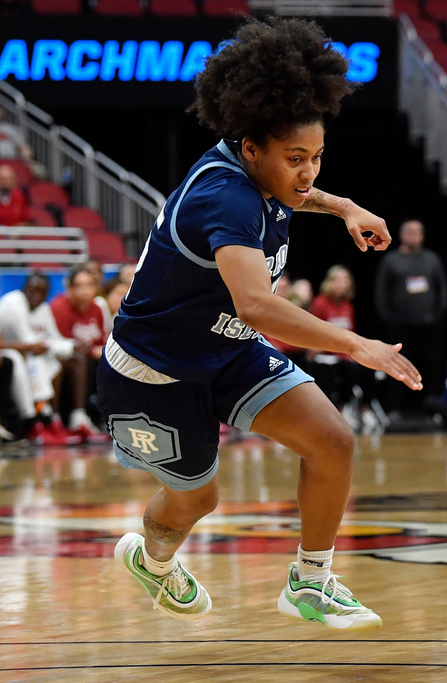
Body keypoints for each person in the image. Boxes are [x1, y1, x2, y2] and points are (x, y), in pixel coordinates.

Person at [96, 18, 421, 630]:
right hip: (154, 373)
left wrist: (345, 205)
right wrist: (357, 345)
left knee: (333, 440)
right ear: (250, 148)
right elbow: (258, 307)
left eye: (318, 157)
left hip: (225, 351)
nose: (308, 174)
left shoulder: (262, 174)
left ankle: (312, 582)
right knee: (199, 498)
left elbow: (297, 194)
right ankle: (151, 557)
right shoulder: (225, 197)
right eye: (295, 159)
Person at [374, 218, 447, 403]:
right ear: (401, 235)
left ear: (422, 236)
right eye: (410, 232)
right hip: (400, 327)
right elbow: (381, 291)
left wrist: (437, 315)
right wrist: (389, 318)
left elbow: (442, 289)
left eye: (418, 232)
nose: (414, 236)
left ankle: (432, 405)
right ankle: (395, 406)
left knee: (430, 365)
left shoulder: (432, 259)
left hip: (428, 324)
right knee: (399, 365)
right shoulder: (391, 261)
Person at [0, 272, 79, 444]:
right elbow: (30, 342)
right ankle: (33, 420)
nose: (37, 295)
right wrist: (66, 346)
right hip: (14, 354)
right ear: (25, 288)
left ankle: (53, 419)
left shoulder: (42, 308)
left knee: (53, 362)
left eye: (42, 291)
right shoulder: (13, 303)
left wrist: (72, 345)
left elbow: (51, 339)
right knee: (25, 360)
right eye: (34, 290)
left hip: (26, 354)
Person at [308, 264, 379, 432]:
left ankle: (362, 408)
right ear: (329, 283)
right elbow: (313, 331)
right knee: (347, 370)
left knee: (370, 369)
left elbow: (350, 333)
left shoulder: (348, 306)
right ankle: (335, 412)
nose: (341, 285)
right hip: (325, 353)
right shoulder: (320, 304)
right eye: (337, 281)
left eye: (344, 281)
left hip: (344, 354)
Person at [49, 264, 109, 442]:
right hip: (64, 364)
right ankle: (74, 417)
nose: (85, 291)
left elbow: (101, 340)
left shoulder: (96, 309)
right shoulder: (59, 308)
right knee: (85, 363)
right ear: (69, 288)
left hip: (89, 361)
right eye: (79, 286)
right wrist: (92, 350)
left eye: (89, 285)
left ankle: (105, 418)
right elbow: (64, 345)